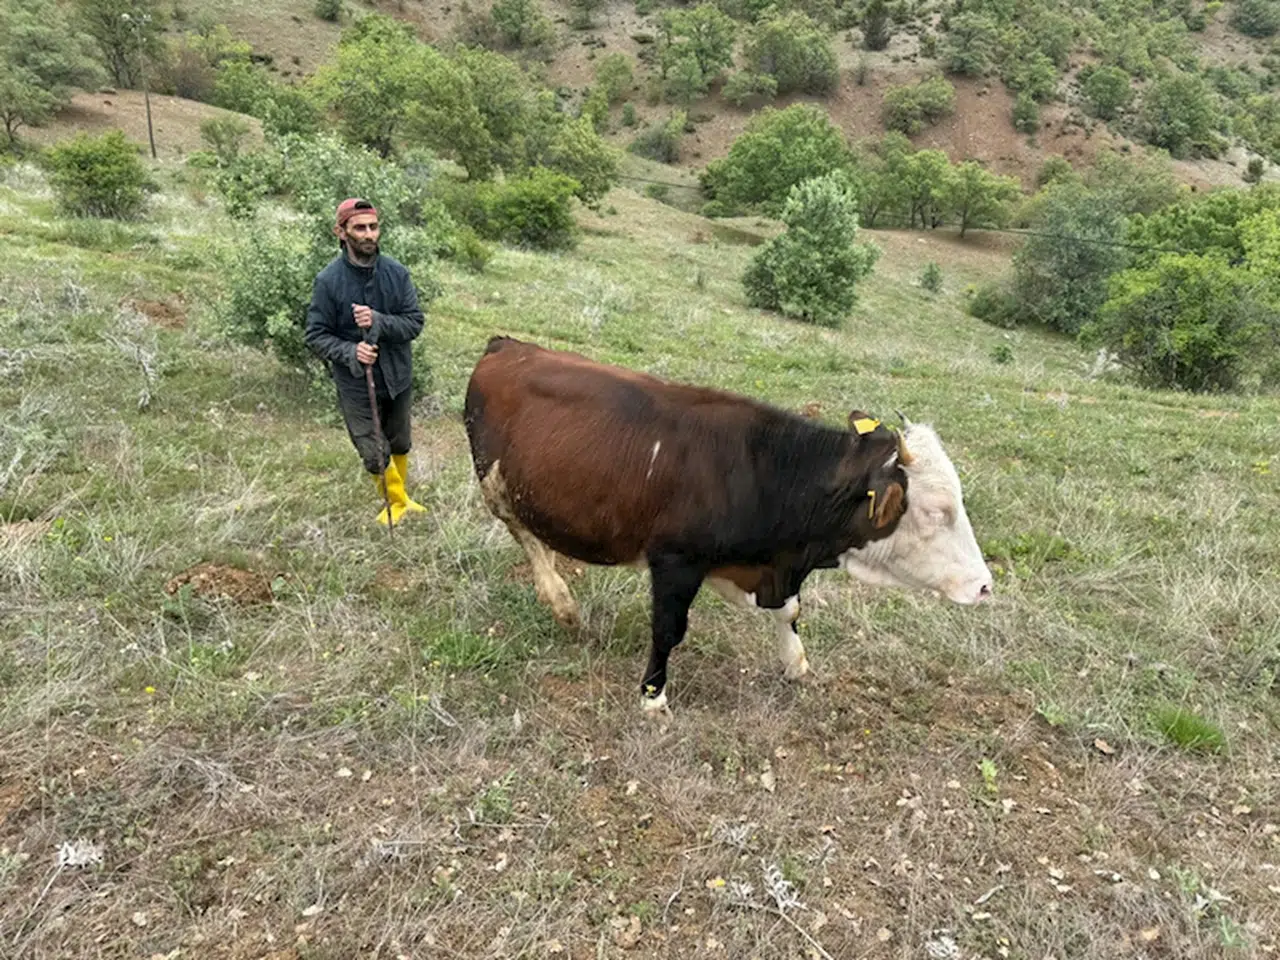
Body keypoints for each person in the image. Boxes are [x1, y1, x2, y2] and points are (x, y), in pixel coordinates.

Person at [305, 198, 427, 526]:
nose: (368, 234)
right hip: (356, 382)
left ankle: (402, 501)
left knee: (399, 440)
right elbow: (315, 335)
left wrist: (378, 320)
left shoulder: (397, 274)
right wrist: (350, 352)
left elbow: (414, 323)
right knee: (373, 451)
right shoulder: (328, 281)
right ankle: (397, 502)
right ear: (341, 232)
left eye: (373, 227)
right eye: (359, 228)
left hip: (397, 374)